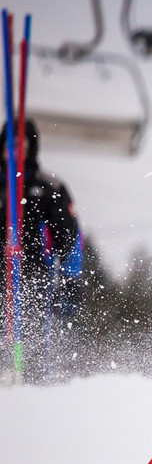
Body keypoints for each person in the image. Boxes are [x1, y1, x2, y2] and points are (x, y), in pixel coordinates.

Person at [0, 118, 85, 379]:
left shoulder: (49, 189)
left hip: (33, 280)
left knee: (31, 352)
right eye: (9, 145)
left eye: (21, 144)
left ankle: (32, 396)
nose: (15, 151)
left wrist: (71, 283)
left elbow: (71, 239)